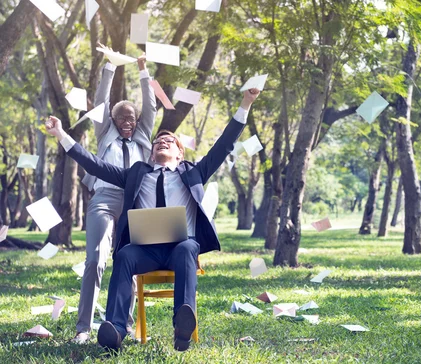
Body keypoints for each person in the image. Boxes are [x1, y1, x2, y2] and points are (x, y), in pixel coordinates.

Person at [45, 87, 260, 351]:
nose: (162, 141)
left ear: (180, 154)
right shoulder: (136, 173)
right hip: (145, 251)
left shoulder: (194, 172)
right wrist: (61, 134)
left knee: (186, 248)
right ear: (150, 152)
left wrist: (246, 103)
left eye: (169, 141)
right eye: (158, 141)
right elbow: (94, 165)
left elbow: (224, 143)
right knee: (123, 256)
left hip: (181, 247)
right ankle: (115, 329)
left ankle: (182, 328)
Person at [73, 44, 157, 344]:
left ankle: (125, 325)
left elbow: (151, 106)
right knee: (96, 259)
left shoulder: (144, 136)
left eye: (131, 117)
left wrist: (143, 70)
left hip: (135, 204)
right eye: (122, 117)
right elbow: (100, 100)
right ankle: (83, 328)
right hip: (105, 199)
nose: (128, 121)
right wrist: (110, 65)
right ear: (112, 119)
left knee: (130, 262)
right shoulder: (105, 132)